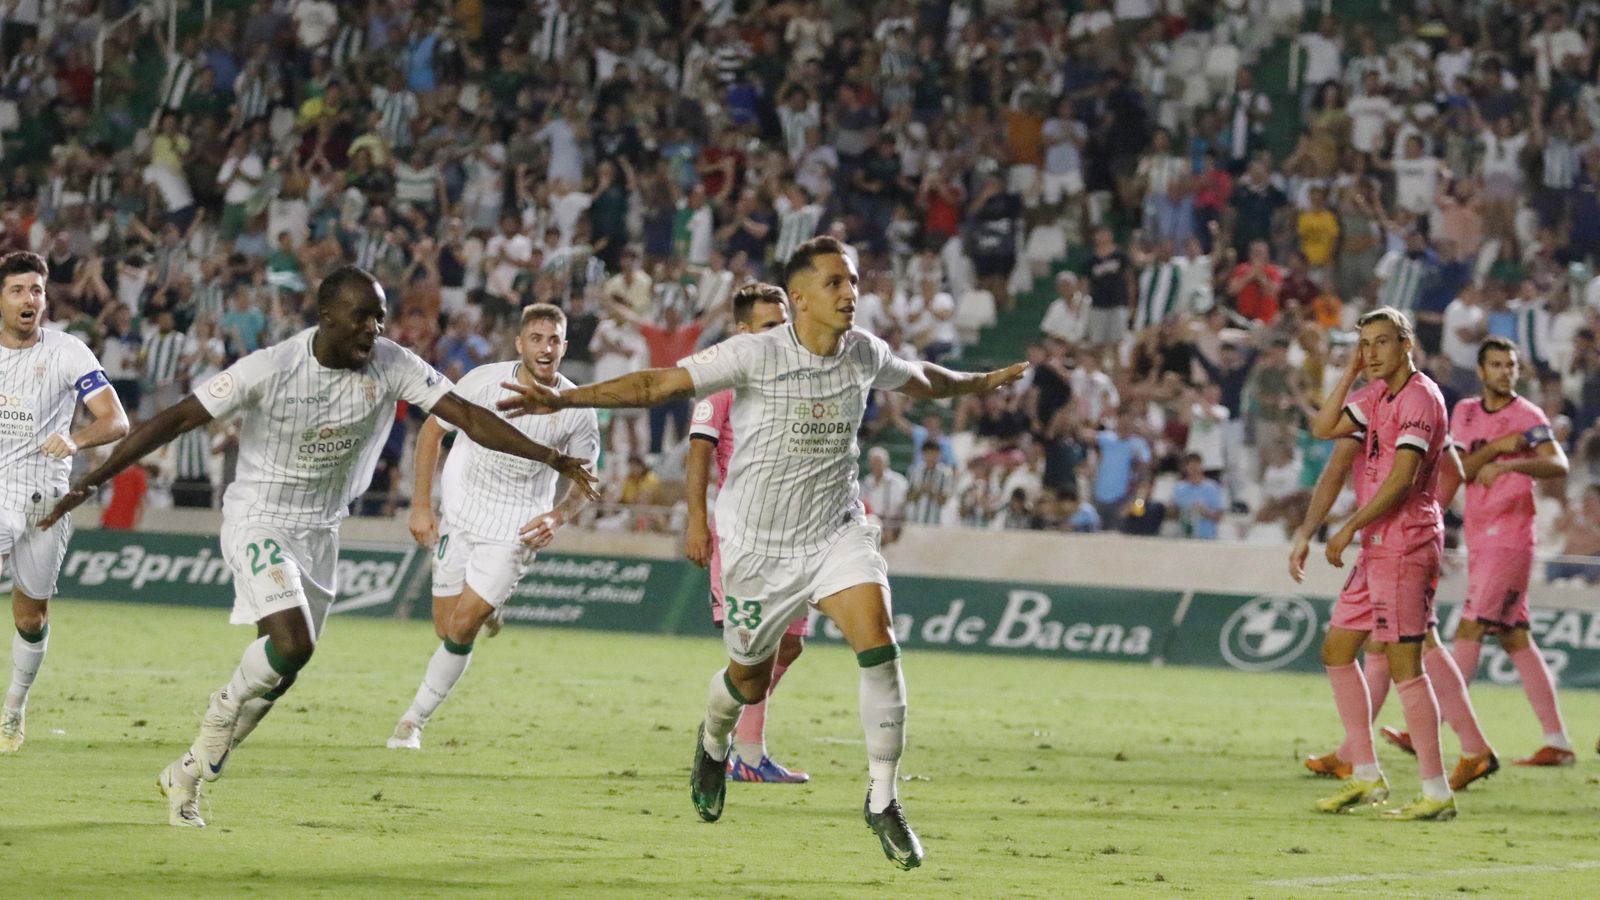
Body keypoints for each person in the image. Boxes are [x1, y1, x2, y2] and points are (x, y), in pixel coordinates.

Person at [494, 236, 1027, 869]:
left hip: (836, 531)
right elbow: (657, 383)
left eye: (852, 281)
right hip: (757, 546)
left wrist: (979, 382)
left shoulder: (863, 353)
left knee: (880, 648)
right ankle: (714, 742)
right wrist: (566, 397)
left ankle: (883, 799)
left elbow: (924, 380)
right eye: (834, 283)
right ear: (799, 297)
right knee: (746, 680)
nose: (849, 293)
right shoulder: (754, 354)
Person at [39, 267, 599, 828]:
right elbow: (172, 420)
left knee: (280, 674)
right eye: (362, 316)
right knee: (292, 641)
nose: (373, 329)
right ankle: (214, 720)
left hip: (322, 531)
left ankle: (188, 773)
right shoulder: (270, 368)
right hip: (260, 517)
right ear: (327, 315)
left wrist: (552, 458)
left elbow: (469, 418)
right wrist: (90, 481)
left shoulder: (394, 363)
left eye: (379, 317)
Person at [388, 304, 600, 750]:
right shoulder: (481, 380)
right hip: (461, 514)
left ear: (564, 346)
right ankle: (492, 607)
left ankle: (412, 721)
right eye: (538, 339)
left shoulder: (578, 408)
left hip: (515, 528)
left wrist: (558, 516)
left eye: (555, 339)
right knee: (446, 630)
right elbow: (432, 432)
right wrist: (420, 507)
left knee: (463, 628)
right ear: (520, 344)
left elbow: (586, 479)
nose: (546, 348)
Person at [1303, 306, 1463, 821]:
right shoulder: (1375, 394)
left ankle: (1437, 792)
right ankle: (1367, 776)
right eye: (1364, 343)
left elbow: (1401, 479)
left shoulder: (1420, 397)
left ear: (1406, 343)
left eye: (1380, 342)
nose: (1372, 352)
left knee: (1404, 666)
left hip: (1405, 543)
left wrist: (1347, 526)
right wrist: (1349, 372)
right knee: (1336, 648)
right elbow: (1323, 426)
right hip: (1377, 545)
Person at [0, 252, 130, 753]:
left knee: (30, 619)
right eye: (18, 290)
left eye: (36, 290)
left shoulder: (68, 351)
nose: (30, 299)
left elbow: (116, 421)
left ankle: (14, 707)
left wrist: (76, 439)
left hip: (44, 501)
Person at [683, 283, 808, 784]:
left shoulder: (796, 380)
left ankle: (741, 743)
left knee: (791, 645)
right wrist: (696, 521)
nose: (782, 335)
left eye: (785, 324)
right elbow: (698, 449)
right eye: (769, 326)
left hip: (797, 533)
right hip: (744, 535)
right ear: (742, 331)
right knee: (755, 649)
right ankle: (738, 749)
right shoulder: (724, 380)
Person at [1444, 337, 1575, 765]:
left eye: (1511, 365)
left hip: (1512, 537)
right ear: (1481, 371)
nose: (1505, 371)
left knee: (1470, 629)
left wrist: (1512, 462)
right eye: (1497, 365)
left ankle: (1432, 723)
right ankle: (1557, 742)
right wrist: (1498, 449)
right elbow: (1459, 468)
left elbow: (1558, 463)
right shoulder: (1464, 412)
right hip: (1481, 536)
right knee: (1515, 638)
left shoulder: (1529, 416)